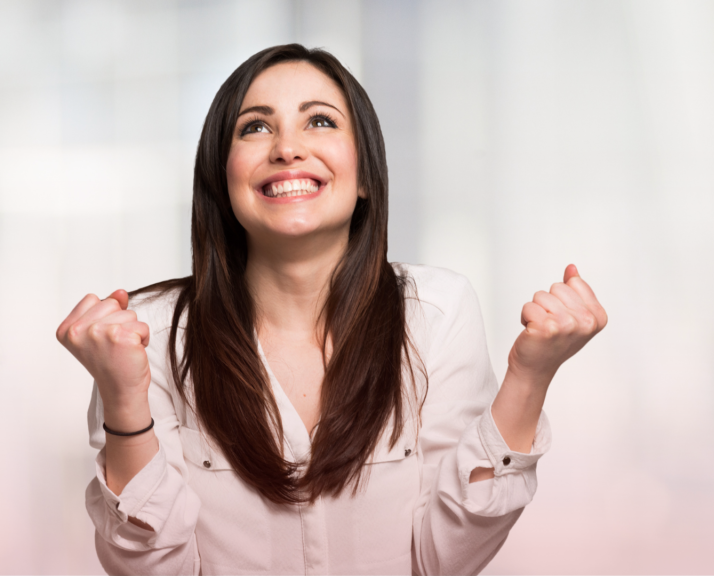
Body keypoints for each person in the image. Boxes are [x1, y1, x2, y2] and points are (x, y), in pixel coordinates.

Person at [56, 44, 606, 575]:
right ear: (222, 181)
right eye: (255, 126)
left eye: (319, 121)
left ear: (365, 176)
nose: (287, 148)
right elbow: (157, 571)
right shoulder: (146, 335)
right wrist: (124, 399)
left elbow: (446, 561)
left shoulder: (436, 313)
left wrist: (530, 378)